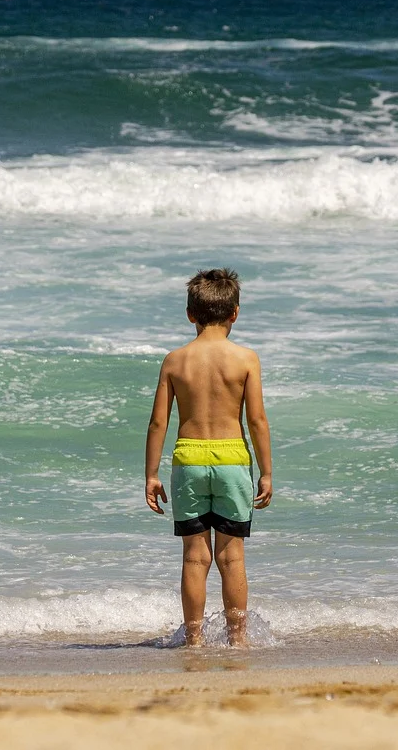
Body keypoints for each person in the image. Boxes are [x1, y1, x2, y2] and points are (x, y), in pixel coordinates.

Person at [145, 268, 273, 647]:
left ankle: (195, 640)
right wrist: (266, 471)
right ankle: (238, 639)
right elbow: (257, 420)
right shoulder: (246, 359)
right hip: (233, 462)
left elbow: (157, 423)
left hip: (188, 461)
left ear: (190, 314)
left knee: (194, 558)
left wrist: (151, 473)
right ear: (235, 313)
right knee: (231, 558)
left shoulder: (174, 361)